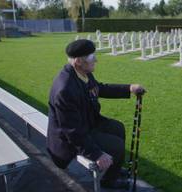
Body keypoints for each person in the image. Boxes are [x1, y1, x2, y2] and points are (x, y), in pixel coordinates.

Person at [47, 39, 145, 189]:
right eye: (92, 58)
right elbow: (72, 131)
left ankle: (115, 170)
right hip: (68, 140)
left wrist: (129, 88)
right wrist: (96, 154)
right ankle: (109, 181)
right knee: (117, 146)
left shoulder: (82, 73)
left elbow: (99, 88)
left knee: (117, 127)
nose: (96, 60)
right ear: (79, 61)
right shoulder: (65, 89)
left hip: (86, 123)